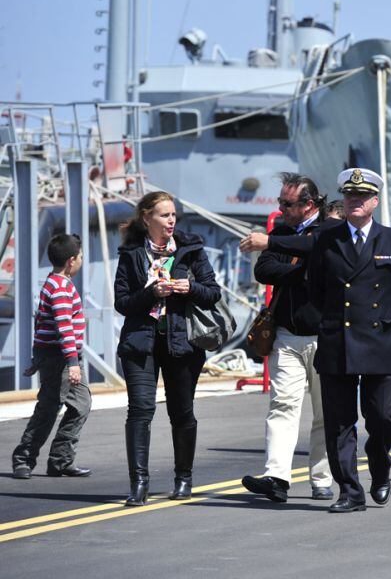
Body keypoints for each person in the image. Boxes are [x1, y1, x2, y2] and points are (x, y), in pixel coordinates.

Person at [306, 168, 391, 513]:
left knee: (383, 417)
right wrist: (334, 320)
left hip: (378, 340)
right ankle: (350, 492)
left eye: (363, 197)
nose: (355, 201)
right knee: (339, 422)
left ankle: (380, 466)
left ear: (375, 202)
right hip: (338, 339)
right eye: (350, 196)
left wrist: (381, 320)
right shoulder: (327, 239)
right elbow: (316, 289)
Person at [114, 191, 221, 505]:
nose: (171, 221)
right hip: (140, 343)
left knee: (182, 411)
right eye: (164, 215)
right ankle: (139, 483)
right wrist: (151, 292)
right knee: (140, 411)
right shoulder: (131, 252)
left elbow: (212, 293)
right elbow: (122, 302)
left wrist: (190, 288)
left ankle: (183, 478)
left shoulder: (191, 249)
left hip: (183, 343)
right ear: (147, 218)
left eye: (173, 215)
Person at [239, 173, 333, 503]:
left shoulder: (328, 229)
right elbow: (264, 270)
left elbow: (316, 248)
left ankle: (321, 477)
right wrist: (301, 272)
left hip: (324, 339)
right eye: (279, 202)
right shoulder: (280, 231)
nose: (280, 208)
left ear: (308, 205)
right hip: (287, 336)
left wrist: (277, 249)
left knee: (325, 413)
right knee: (282, 405)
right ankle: (277, 476)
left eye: (286, 203)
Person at [11, 234, 92, 480]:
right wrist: (72, 363)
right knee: (49, 407)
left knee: (81, 405)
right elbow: (63, 327)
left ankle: (61, 460)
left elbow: (41, 323)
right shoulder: (60, 288)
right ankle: (24, 458)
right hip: (62, 357)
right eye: (80, 257)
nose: (81, 261)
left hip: (59, 355)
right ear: (70, 261)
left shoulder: (54, 283)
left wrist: (37, 358)